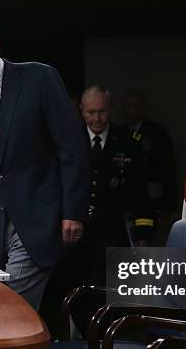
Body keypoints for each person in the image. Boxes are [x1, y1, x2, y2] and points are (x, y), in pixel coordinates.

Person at [0, 8, 89, 311]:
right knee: (12, 324)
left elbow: (72, 147)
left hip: (41, 221)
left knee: (5, 312)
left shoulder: (39, 78)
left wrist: (73, 211)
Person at [43, 85, 153, 336]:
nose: (97, 118)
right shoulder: (68, 141)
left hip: (112, 233)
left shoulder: (127, 142)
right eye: (91, 112)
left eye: (102, 112)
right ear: (81, 111)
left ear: (110, 109)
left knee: (113, 297)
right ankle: (82, 347)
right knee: (77, 293)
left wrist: (143, 236)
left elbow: (139, 194)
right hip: (75, 237)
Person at [121, 89, 178, 244]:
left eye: (132, 106)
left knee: (149, 244)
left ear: (142, 107)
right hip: (127, 199)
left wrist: (169, 204)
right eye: (126, 106)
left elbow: (167, 168)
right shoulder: (120, 133)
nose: (128, 110)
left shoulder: (157, 133)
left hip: (152, 199)